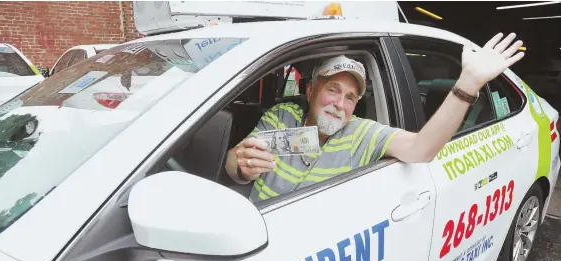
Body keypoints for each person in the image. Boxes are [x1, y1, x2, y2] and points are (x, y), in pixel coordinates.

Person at [225, 33, 525, 203]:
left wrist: (468, 84)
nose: (339, 104)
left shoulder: (362, 134)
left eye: (351, 97)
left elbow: (421, 149)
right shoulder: (282, 116)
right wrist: (239, 164)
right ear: (310, 89)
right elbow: (237, 165)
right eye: (332, 90)